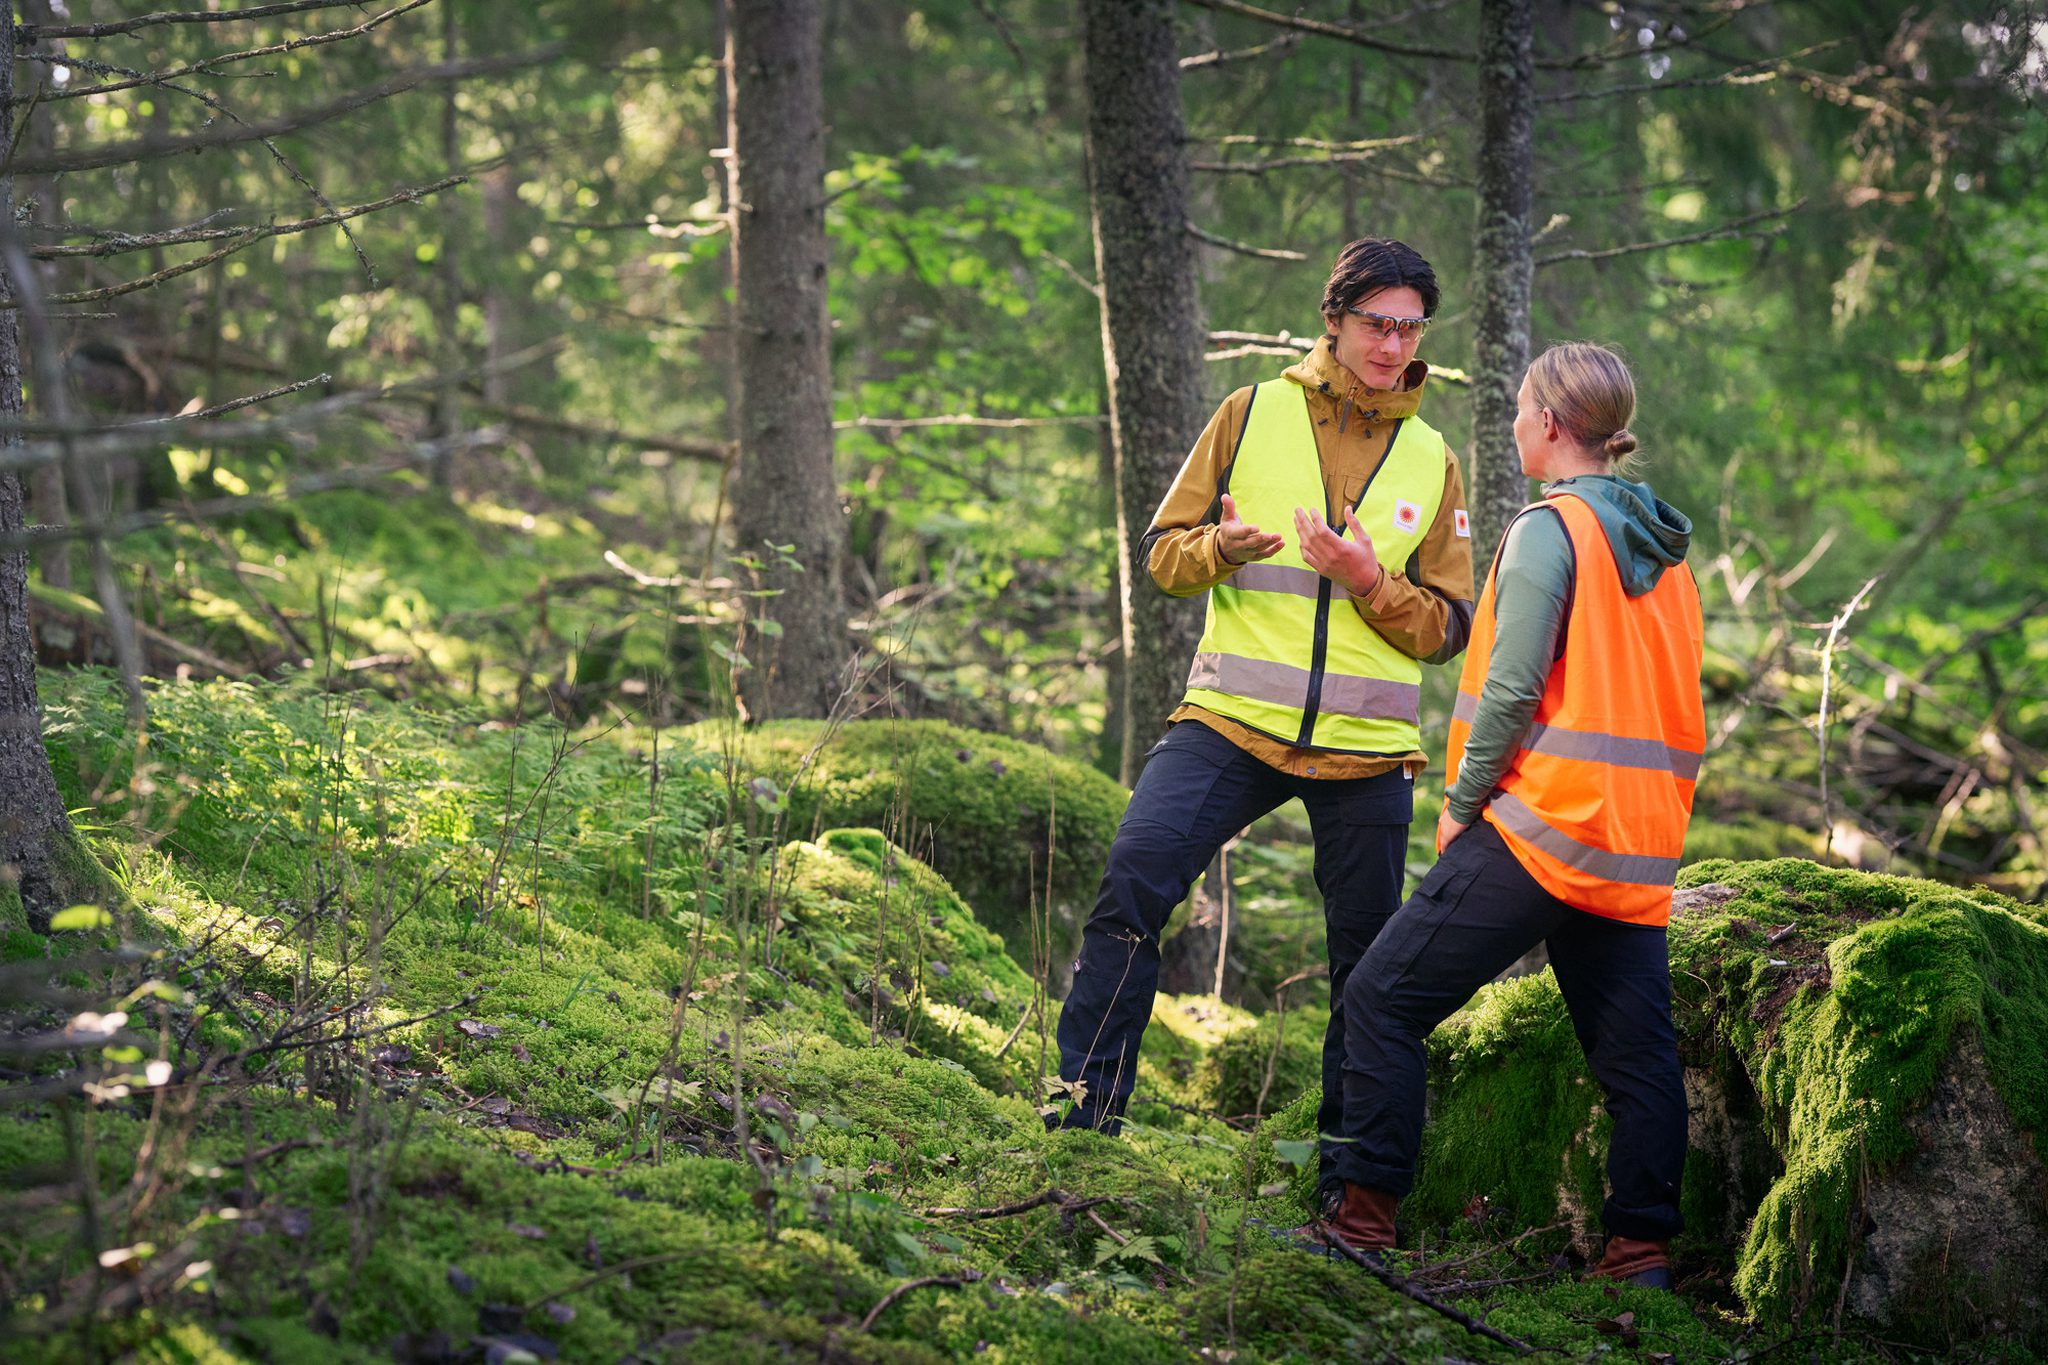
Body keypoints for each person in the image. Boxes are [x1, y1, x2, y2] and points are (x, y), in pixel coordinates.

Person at [1049, 238, 1476, 1215]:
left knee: (1366, 974)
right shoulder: (1249, 412)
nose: (1392, 343)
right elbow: (1162, 555)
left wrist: (1369, 580)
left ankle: (1346, 1198)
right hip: (1230, 721)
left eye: (1410, 326)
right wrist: (1218, 548)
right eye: (1376, 322)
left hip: (1367, 753)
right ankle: (1079, 1134)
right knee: (1128, 891)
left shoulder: (1431, 456)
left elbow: (1447, 625)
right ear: (1332, 320)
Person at [1298, 342, 1705, 1290]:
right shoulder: (1665, 551)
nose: (1517, 423)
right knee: (1638, 1056)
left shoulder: (1549, 530)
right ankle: (1639, 1255)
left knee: (1381, 997)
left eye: (1523, 409)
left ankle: (1362, 1228)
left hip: (1541, 826)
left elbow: (1513, 688)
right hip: (1634, 845)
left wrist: (1462, 803)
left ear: (1553, 425)